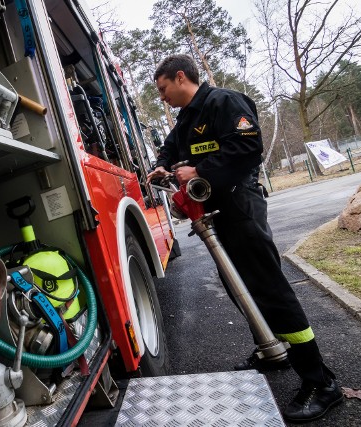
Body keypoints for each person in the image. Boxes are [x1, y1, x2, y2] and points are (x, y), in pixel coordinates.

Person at [146, 54, 342, 423]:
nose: (161, 97)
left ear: (181, 77)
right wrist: (162, 162)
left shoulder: (224, 102)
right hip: (218, 210)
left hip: (241, 204)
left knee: (269, 288)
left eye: (163, 88)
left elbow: (248, 148)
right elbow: (172, 146)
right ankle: (274, 349)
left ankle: (321, 382)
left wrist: (199, 169)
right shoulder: (188, 117)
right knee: (237, 284)